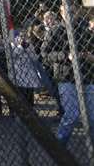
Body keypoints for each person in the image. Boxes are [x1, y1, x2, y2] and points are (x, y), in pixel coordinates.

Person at [28, 8, 94, 145]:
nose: (70, 13)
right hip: (66, 76)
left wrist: (89, 56)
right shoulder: (55, 30)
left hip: (87, 75)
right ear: (61, 13)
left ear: (77, 12)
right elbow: (45, 54)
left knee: (92, 116)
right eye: (66, 11)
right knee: (72, 115)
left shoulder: (85, 30)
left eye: (73, 11)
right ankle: (59, 145)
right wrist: (65, 56)